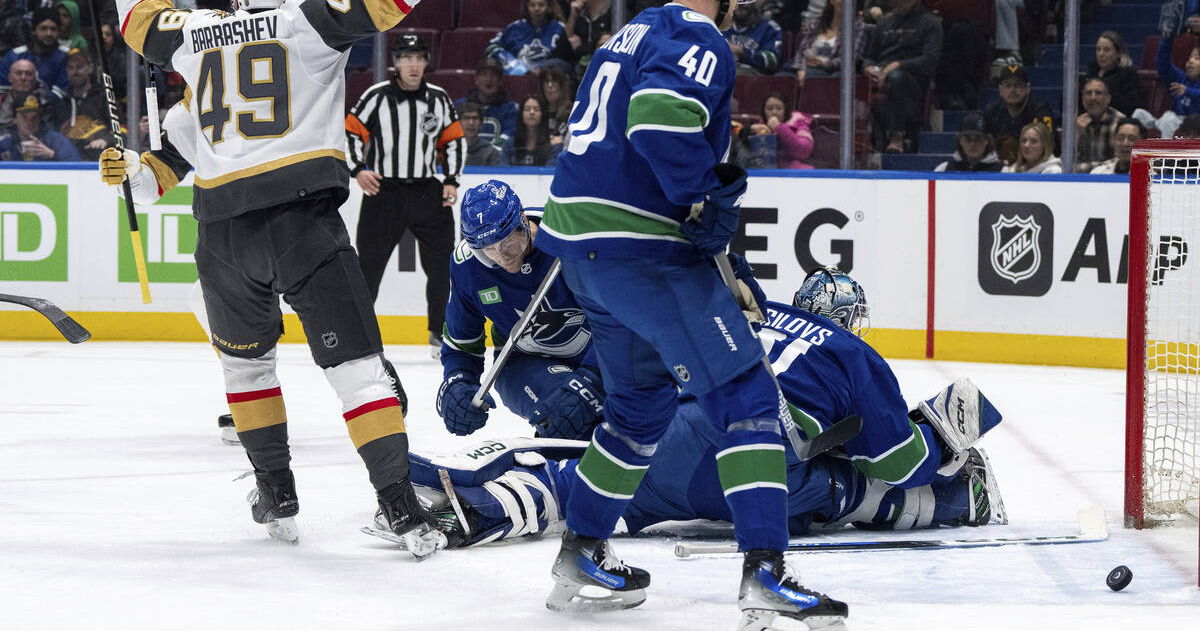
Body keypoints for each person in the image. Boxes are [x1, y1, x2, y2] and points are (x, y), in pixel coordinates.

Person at [97, 0, 478, 554]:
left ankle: (275, 493)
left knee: (245, 368)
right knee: (359, 373)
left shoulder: (195, 35)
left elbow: (144, 32)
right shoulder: (306, 20)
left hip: (221, 239)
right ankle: (399, 505)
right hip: (302, 219)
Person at [534, 0, 848, 626]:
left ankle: (581, 549)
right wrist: (704, 202)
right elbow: (656, 121)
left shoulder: (629, 32)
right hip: (645, 253)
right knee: (745, 398)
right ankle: (766, 570)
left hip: (583, 252)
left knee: (639, 410)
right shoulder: (697, 36)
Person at [406, 266, 1004, 563]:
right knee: (842, 488)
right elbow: (900, 461)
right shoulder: (853, 352)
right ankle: (962, 502)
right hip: (750, 470)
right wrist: (940, 439)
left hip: (670, 437)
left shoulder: (761, 307)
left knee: (576, 485)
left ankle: (477, 508)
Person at [441, 177, 604, 442]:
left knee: (624, 420)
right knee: (565, 414)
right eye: (488, 251)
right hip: (523, 362)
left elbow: (622, 323)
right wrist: (457, 382)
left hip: (604, 356)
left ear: (523, 222)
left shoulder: (570, 239)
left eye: (507, 243)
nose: (502, 256)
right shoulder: (467, 266)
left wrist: (593, 378)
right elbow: (462, 344)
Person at [345, 33, 463, 352]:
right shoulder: (377, 95)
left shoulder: (438, 98)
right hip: (386, 192)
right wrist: (358, 169)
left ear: (427, 63)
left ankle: (439, 331)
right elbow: (351, 131)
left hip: (428, 192)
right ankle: (359, 335)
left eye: (419, 58)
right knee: (368, 266)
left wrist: (451, 179)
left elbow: (452, 139)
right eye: (406, 58)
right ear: (395, 63)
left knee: (442, 267)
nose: (413, 64)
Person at [864, 0, 943, 153]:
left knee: (897, 78)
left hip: (912, 82)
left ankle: (897, 135)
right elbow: (869, 56)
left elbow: (930, 60)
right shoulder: (884, 23)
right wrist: (869, 68)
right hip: (880, 76)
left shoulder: (930, 22)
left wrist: (898, 66)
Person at [790, 0, 866, 87]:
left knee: (814, 76)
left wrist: (826, 64)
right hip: (807, 69)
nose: (844, 0)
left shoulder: (858, 28)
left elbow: (852, 58)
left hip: (831, 72)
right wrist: (802, 70)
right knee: (783, 77)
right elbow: (802, 51)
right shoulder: (815, 24)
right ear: (832, 0)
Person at [486, 0, 574, 75]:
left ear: (549, 8)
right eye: (532, 5)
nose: (536, 9)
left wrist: (542, 68)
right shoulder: (515, 27)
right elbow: (491, 47)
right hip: (518, 76)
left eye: (541, 5)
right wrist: (512, 63)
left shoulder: (559, 28)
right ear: (527, 7)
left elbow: (566, 58)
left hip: (549, 78)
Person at [984, 64, 1054, 164]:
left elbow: (1047, 144)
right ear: (1000, 90)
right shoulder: (992, 112)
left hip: (1038, 166)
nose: (1012, 90)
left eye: (1018, 85)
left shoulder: (1040, 110)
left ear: (1027, 89)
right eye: (1008, 85)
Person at [1, 6, 69, 99]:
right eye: (43, 28)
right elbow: (3, 92)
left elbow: (61, 94)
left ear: (59, 32)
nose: (48, 33)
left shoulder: (65, 57)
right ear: (33, 30)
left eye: (53, 29)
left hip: (52, 110)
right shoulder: (14, 56)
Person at [55, 48, 113, 158]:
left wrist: (106, 140)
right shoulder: (61, 103)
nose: (75, 71)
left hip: (100, 160)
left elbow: (123, 129)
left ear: (90, 68)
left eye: (79, 67)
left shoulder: (104, 98)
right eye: (70, 67)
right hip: (67, 163)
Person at [0, 94, 80, 161]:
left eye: (34, 117)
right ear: (14, 120)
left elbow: (78, 167)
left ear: (40, 119)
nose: (30, 122)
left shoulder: (55, 140)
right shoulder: (5, 145)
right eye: (24, 117)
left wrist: (52, 155)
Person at [746, 94, 815, 169]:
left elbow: (803, 152)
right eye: (769, 109)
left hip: (795, 173)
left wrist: (780, 128)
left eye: (779, 108)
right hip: (766, 174)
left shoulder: (799, 124)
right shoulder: (759, 128)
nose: (774, 112)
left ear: (786, 110)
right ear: (764, 111)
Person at [458, 59, 517, 145]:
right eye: (484, 74)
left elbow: (510, 135)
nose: (489, 79)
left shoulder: (510, 109)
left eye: (494, 75)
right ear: (476, 79)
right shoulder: (460, 106)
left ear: (500, 81)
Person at [1075, 77, 1126, 172]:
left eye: (1098, 93)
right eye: (1088, 93)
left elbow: (1120, 163)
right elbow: (1065, 162)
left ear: (1108, 99)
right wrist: (1076, 135)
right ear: (1083, 99)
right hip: (1081, 181)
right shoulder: (1076, 124)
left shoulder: (1120, 123)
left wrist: (1082, 168)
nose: (1093, 98)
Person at [1085, 31, 1141, 117]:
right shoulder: (1089, 74)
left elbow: (1131, 107)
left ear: (1119, 53)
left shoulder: (1128, 75)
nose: (1101, 54)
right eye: (1098, 49)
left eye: (1106, 50)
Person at [565, 0, 611, 69]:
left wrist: (580, 48)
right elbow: (564, 45)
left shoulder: (615, 12)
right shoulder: (579, 12)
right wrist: (573, 15)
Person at [724, 2, 783, 75]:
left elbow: (772, 60)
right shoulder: (722, 25)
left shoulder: (769, 27)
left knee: (731, 74)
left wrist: (741, 51)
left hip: (752, 74)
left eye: (746, 1)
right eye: (738, 0)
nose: (741, 4)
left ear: (754, 2)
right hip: (723, 68)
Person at [502, 94, 559, 166]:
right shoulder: (509, 145)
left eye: (536, 109)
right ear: (521, 114)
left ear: (542, 114)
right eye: (527, 109)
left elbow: (549, 173)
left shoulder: (552, 144)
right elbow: (504, 173)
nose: (532, 112)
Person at [935, 112, 1003, 171]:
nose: (973, 144)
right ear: (960, 141)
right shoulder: (944, 169)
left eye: (978, 138)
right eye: (968, 138)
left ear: (987, 141)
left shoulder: (1002, 171)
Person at [1156, 34, 1200, 117]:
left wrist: (1188, 91)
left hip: (1195, 125)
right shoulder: (1181, 78)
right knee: (1139, 113)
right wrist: (1168, 37)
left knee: (1168, 118)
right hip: (1177, 123)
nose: (1190, 61)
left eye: (1197, 58)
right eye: (1189, 58)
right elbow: (1163, 64)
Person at [0, 58, 47, 132]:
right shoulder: (1, 101)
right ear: (10, 78)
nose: (23, 78)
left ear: (34, 79)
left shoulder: (44, 104)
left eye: (28, 74)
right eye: (18, 73)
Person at [458, 100, 502, 166]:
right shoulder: (447, 150)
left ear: (481, 124)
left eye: (475, 118)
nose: (471, 123)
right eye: (466, 118)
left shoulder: (491, 153)